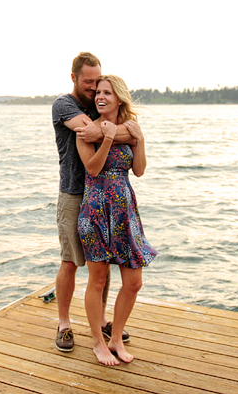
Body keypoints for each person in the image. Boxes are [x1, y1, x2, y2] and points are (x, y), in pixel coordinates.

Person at [51, 52, 134, 353]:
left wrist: (124, 131)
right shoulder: (65, 105)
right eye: (88, 82)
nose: (92, 87)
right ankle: (63, 324)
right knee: (71, 261)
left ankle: (99, 323)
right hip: (74, 193)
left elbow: (110, 129)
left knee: (103, 264)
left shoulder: (95, 102)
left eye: (97, 82)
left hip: (102, 197)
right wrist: (127, 131)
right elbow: (91, 131)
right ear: (73, 77)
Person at [76, 74, 157, 366]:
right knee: (97, 281)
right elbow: (93, 169)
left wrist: (140, 140)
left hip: (124, 210)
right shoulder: (87, 130)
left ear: (119, 97)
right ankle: (97, 342)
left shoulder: (131, 128)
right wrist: (108, 137)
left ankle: (115, 338)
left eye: (107, 93)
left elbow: (139, 170)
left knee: (133, 282)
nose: (100, 97)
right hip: (96, 210)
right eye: (98, 92)